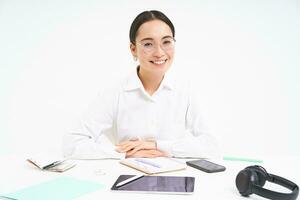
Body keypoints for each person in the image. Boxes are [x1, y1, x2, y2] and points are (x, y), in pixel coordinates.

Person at [63, 10, 220, 159]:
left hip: (174, 178)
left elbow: (212, 146)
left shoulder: (186, 91)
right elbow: (72, 144)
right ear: (133, 49)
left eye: (166, 42)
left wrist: (159, 147)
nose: (159, 52)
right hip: (127, 174)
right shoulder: (115, 92)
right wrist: (124, 152)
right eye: (148, 44)